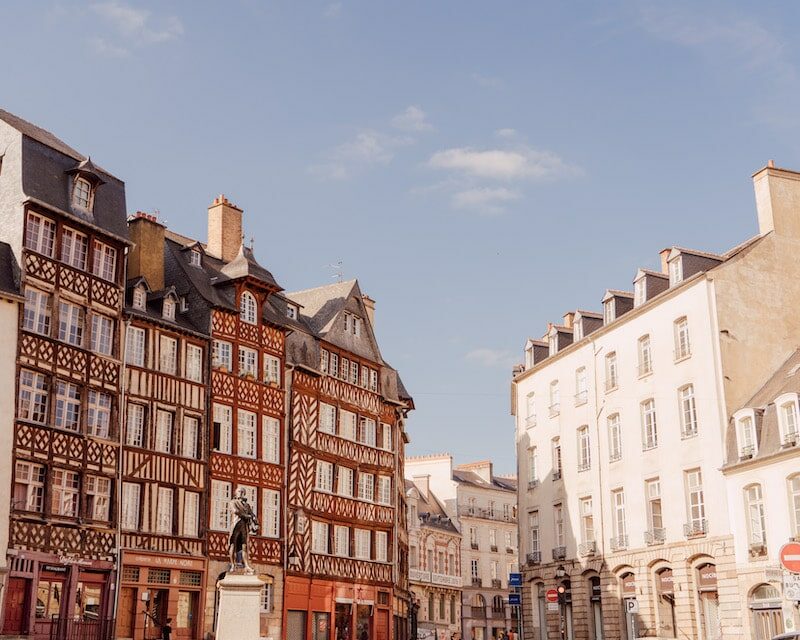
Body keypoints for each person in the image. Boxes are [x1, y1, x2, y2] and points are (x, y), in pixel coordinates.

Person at [228, 487, 259, 573]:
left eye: (242, 492)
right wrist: (246, 516)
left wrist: (255, 520)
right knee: (233, 544)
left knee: (244, 546)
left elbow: (252, 514)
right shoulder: (233, 502)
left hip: (244, 526)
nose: (241, 493)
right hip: (236, 524)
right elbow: (236, 511)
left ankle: (246, 565)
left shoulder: (247, 505)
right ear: (236, 493)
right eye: (239, 491)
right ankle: (233, 565)